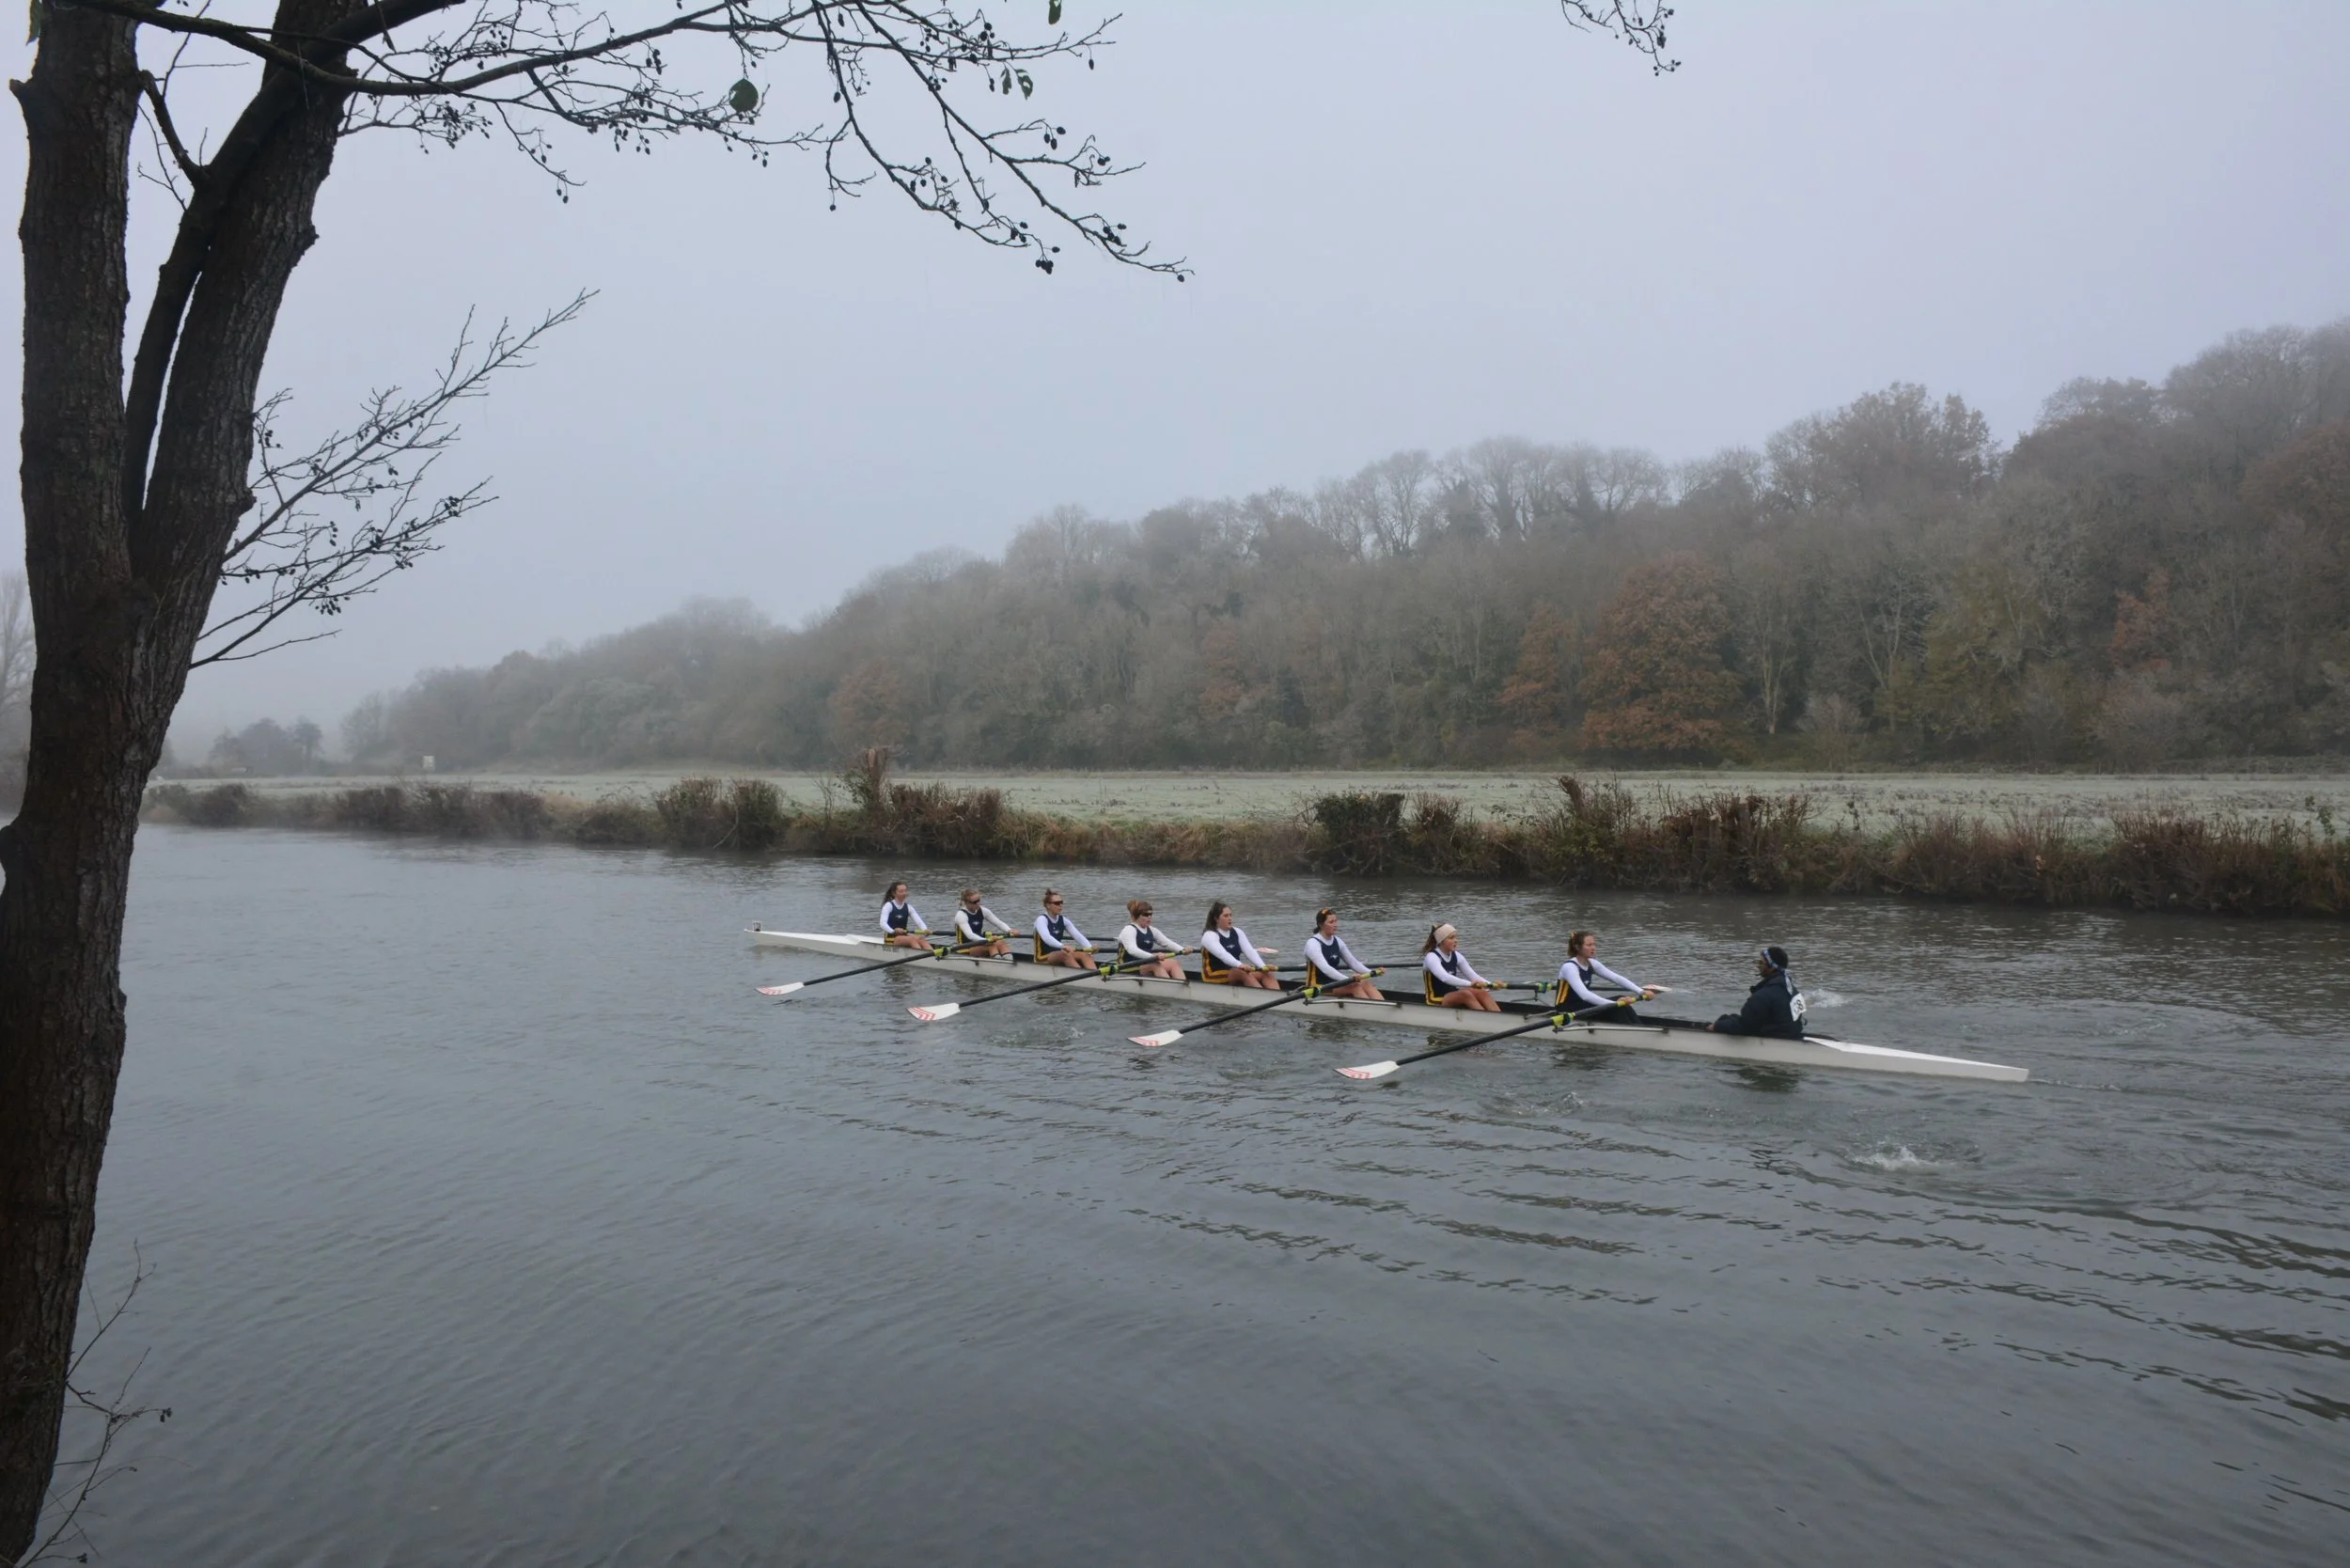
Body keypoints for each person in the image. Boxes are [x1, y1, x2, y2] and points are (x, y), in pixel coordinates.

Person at [1709, 947, 1809, 1039]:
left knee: (1724, 1022)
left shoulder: (1763, 996)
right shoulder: (1792, 989)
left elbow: (1743, 1028)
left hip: (1776, 1039)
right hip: (1791, 1034)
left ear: (1772, 967)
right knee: (1727, 1018)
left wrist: (1717, 1026)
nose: (1758, 966)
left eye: (1761, 963)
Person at [1556, 930, 1656, 1018]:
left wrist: (1641, 991)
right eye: (1589, 945)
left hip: (1583, 1005)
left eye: (1594, 944)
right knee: (1618, 1007)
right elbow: (1585, 995)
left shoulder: (1592, 963)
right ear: (1578, 947)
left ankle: (1638, 1027)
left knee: (1621, 1001)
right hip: (1567, 1010)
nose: (1593, 948)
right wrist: (1615, 1004)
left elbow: (1616, 978)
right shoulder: (1570, 967)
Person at [1304, 908, 1383, 1000]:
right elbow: (1326, 969)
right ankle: (1371, 1010)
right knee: (1355, 986)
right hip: (1317, 987)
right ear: (1321, 925)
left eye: (1336, 921)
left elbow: (1353, 963)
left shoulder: (1337, 941)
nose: (1335, 925)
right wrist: (1349, 980)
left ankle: (1384, 1007)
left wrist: (1372, 972)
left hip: (1334, 983)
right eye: (1331, 922)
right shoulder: (1313, 944)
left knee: (1365, 982)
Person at [1199, 901, 1280, 990]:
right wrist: (1240, 965)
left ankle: (1279, 997)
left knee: (1268, 973)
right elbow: (1223, 955)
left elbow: (1249, 951)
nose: (1230, 918)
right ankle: (1262, 997)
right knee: (1240, 972)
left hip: (1235, 971)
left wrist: (1263, 966)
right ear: (1216, 919)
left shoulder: (1237, 932)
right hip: (1212, 975)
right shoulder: (1209, 935)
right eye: (1226, 916)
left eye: (1230, 915)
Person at [1421, 923, 1502, 1011]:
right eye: (1451, 938)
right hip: (1435, 999)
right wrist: (1470, 984)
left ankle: (1500, 1018)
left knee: (1481, 992)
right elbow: (1445, 978)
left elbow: (1474, 976)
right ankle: (1486, 1019)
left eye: (1456, 937)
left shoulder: (1457, 956)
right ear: (1441, 941)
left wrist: (1492, 985)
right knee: (1465, 994)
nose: (1456, 940)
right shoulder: (1432, 957)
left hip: (1453, 995)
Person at [1117, 900, 1188, 980]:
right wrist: (1153, 957)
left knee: (1174, 963)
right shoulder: (1129, 930)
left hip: (1145, 963)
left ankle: (1183, 987)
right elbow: (1132, 950)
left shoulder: (1151, 930)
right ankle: (1170, 988)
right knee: (1155, 965)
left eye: (1151, 914)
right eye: (1146, 914)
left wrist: (1183, 950)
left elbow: (1167, 943)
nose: (1149, 917)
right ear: (1136, 916)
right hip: (1127, 966)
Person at [1033, 889, 1096, 970]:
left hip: (1059, 954)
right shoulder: (1041, 919)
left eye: (1061, 902)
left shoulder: (1063, 920)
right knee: (1064, 955)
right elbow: (1046, 937)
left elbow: (1078, 936)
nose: (1060, 905)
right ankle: (1082, 977)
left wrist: (1090, 949)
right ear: (1048, 905)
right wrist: (1062, 946)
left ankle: (1095, 977)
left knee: (1085, 954)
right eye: (1057, 903)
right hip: (1042, 957)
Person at [953, 887, 1012, 958]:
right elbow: (970, 935)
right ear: (966, 903)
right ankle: (999, 965)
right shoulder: (961, 915)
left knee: (1001, 942)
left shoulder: (983, 911)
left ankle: (1009, 962)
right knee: (991, 946)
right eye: (974, 902)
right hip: (964, 948)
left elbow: (999, 923)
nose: (978, 904)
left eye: (978, 900)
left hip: (980, 943)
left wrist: (1010, 930)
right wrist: (987, 940)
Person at [878, 881, 930, 949]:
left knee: (921, 939)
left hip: (904, 936)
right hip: (891, 937)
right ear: (894, 893)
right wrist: (893, 931)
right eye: (901, 891)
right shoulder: (888, 906)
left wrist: (925, 930)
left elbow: (919, 922)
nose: (904, 893)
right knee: (912, 939)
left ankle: (933, 957)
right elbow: (882, 923)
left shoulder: (908, 907)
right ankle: (922, 956)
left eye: (905, 891)